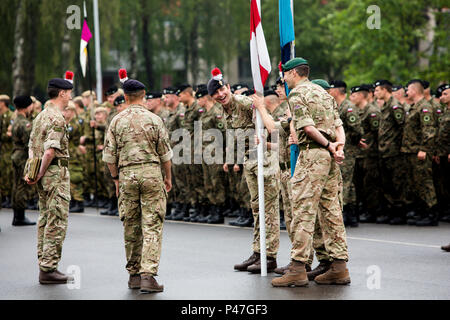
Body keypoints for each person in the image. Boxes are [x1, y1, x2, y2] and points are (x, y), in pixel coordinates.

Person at [271, 58, 350, 287]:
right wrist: (338, 147)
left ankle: (297, 267)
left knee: (303, 210)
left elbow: (307, 127)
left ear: (295, 73)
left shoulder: (298, 94)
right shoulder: (325, 94)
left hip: (313, 154)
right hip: (330, 157)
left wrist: (327, 146)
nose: (284, 79)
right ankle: (339, 266)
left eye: (285, 74)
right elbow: (338, 126)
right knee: (331, 211)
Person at [103, 69, 173, 293]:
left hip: (126, 175)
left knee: (131, 225)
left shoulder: (116, 121)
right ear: (143, 95)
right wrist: (167, 177)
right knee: (151, 224)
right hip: (151, 173)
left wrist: (115, 179)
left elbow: (109, 157)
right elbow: (165, 155)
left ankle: (133, 274)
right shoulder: (154, 119)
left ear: (124, 96)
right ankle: (147, 276)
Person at [209, 67, 280, 274]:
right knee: (257, 209)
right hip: (250, 160)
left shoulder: (243, 103)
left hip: (265, 158)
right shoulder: (226, 110)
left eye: (222, 90)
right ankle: (258, 252)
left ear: (228, 87)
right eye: (215, 93)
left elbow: (272, 129)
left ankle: (270, 257)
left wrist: (266, 143)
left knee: (268, 210)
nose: (220, 95)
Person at [26, 74, 74, 284]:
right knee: (56, 220)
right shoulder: (57, 118)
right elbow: (50, 151)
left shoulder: (40, 116)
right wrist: (42, 171)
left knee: (45, 219)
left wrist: (33, 172)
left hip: (43, 174)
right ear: (62, 93)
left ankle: (44, 262)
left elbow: (32, 147)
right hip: (54, 174)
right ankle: (48, 269)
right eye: (69, 92)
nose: (71, 96)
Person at [401, 79, 438, 226]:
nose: (406, 93)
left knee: (425, 182)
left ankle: (432, 212)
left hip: (419, 151)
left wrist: (424, 149)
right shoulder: (415, 106)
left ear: (415, 91)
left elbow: (429, 130)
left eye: (408, 90)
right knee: (416, 183)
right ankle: (423, 211)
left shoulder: (425, 108)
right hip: (411, 150)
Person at [329, 80, 362, 227]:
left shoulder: (348, 107)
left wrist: (352, 142)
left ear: (337, 90)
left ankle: (343, 213)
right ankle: (351, 214)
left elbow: (357, 130)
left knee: (345, 182)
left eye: (331, 89)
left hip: (347, 150)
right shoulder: (339, 106)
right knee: (348, 183)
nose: (329, 91)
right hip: (342, 150)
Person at [351, 84, 382, 223]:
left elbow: (378, 133)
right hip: (359, 153)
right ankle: (363, 208)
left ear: (362, 95)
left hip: (370, 153)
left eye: (354, 95)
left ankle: (372, 210)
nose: (352, 97)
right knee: (360, 183)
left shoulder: (372, 111)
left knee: (370, 183)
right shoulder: (357, 111)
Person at [11, 95, 36, 226]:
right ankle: (20, 216)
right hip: (22, 156)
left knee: (16, 185)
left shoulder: (15, 121)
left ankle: (17, 215)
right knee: (22, 185)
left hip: (15, 154)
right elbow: (29, 143)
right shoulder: (25, 123)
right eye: (31, 104)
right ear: (27, 106)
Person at [1, 94, 14, 209]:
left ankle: (9, 197)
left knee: (9, 174)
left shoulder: (10, 116)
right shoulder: (2, 116)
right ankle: (4, 197)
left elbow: (11, 133)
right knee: (3, 174)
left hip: (9, 150)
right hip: (3, 150)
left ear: (3, 103)